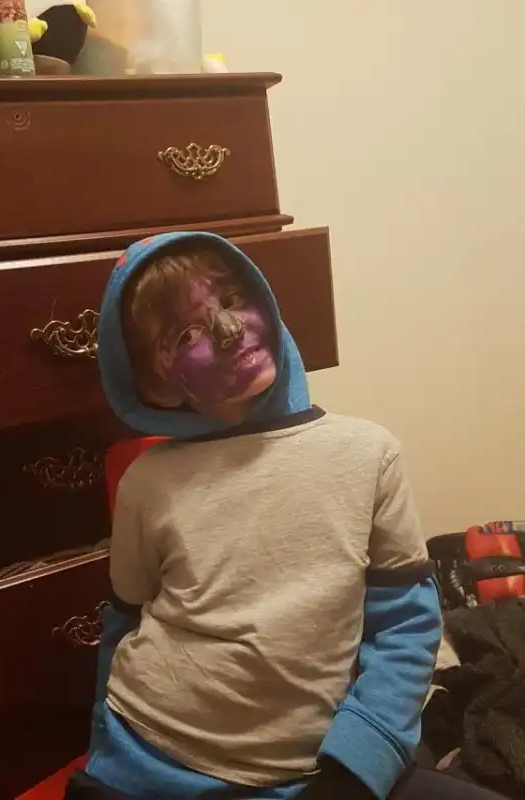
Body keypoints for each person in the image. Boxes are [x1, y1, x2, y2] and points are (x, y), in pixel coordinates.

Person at [65, 232, 505, 800]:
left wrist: (356, 765)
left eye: (231, 298)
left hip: (313, 772)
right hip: (149, 758)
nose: (228, 328)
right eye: (185, 334)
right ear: (156, 386)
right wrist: (107, 752)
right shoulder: (147, 484)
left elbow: (407, 626)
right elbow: (124, 622)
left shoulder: (367, 454)